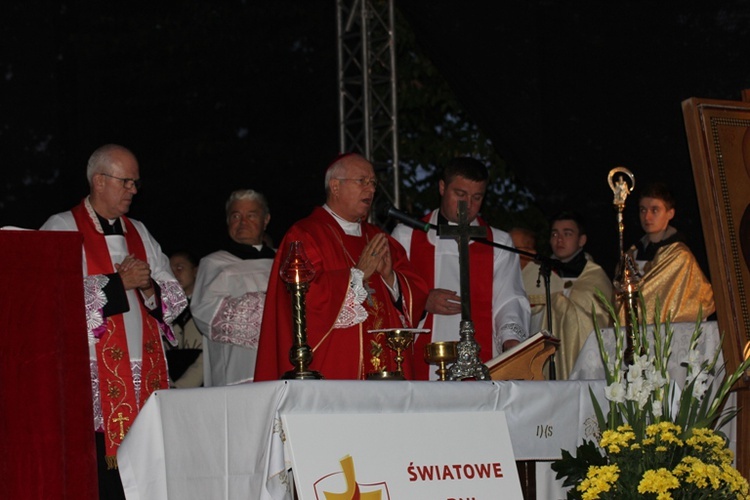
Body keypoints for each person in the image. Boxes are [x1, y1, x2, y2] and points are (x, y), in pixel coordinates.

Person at [40, 144, 187, 499]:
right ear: (99, 181)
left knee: (145, 467)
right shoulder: (60, 227)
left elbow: (174, 294)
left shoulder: (140, 231)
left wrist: (148, 285)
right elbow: (48, 301)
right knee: (98, 475)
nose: (133, 190)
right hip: (90, 374)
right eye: (126, 182)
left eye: (135, 183)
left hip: (144, 373)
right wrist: (116, 285)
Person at [254, 153, 429, 380]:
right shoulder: (305, 235)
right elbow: (302, 303)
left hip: (387, 368)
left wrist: (390, 278)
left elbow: (416, 290)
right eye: (362, 181)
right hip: (335, 366)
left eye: (373, 183)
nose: (371, 189)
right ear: (335, 186)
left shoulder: (378, 237)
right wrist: (356, 276)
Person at [391, 157, 530, 380]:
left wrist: (511, 341)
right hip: (421, 361)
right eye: (460, 195)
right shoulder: (406, 236)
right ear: (442, 187)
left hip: (482, 361)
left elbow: (510, 300)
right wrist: (421, 301)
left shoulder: (498, 242)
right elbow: (388, 291)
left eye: (477, 197)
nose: (468, 205)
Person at [190, 189, 276, 386]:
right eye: (236, 216)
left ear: (266, 220)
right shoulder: (214, 263)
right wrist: (270, 307)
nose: (243, 222)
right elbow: (206, 313)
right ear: (228, 221)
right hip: (237, 366)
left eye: (251, 215)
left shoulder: (285, 262)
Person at [621, 182, 714, 323]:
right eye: (643, 210)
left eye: (655, 210)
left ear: (670, 213)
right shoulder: (631, 254)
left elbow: (698, 302)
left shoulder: (680, 257)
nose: (647, 217)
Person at [545, 211, 612, 379]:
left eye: (567, 234)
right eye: (554, 234)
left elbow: (601, 321)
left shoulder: (595, 276)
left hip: (583, 362)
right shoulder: (540, 273)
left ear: (581, 240)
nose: (559, 239)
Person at [166, 250, 203, 388]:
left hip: (201, 383)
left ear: (196, 271)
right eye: (170, 270)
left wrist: (182, 386)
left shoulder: (206, 305)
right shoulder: (164, 309)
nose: (174, 274)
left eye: (180, 268)